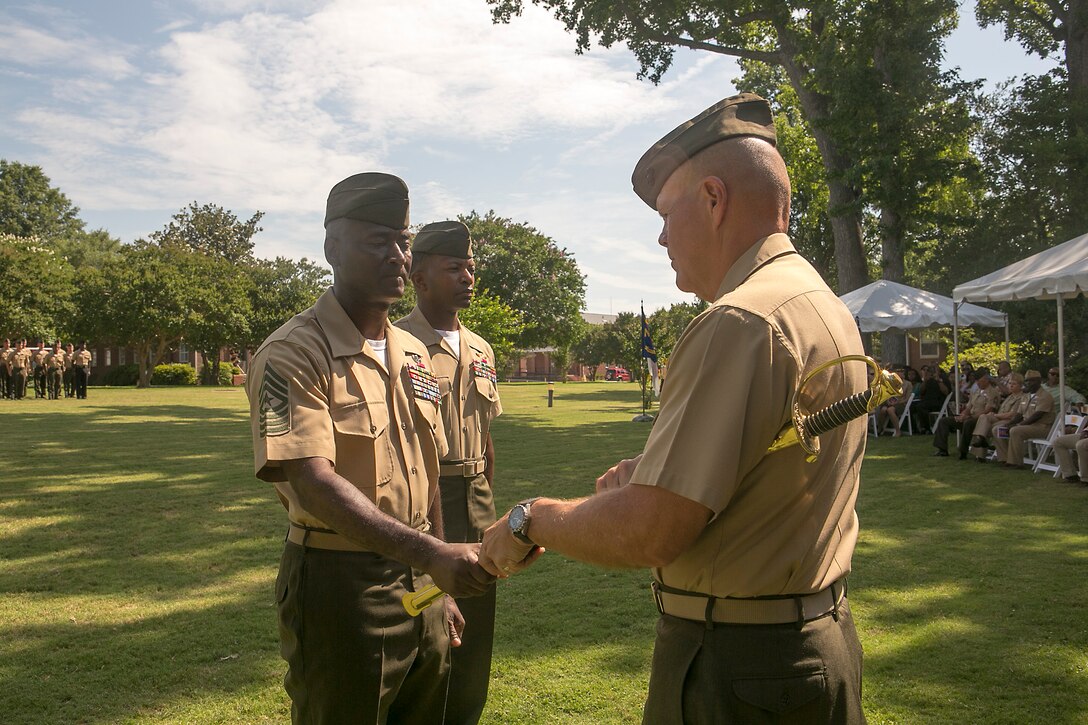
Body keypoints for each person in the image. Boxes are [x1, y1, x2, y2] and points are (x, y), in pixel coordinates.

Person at [478, 93, 867, 723]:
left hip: (738, 669)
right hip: (807, 647)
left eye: (665, 212)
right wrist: (665, 474)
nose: (660, 235)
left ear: (714, 200)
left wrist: (530, 518)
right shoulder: (817, 302)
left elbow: (650, 530)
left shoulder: (740, 322)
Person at [245, 172, 495, 724]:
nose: (397, 256)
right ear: (332, 246)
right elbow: (311, 481)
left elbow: (427, 470)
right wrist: (430, 555)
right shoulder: (290, 355)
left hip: (417, 578)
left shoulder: (411, 351)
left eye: (403, 242)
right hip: (340, 585)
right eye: (377, 241)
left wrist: (436, 582)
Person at [395, 220, 503, 725]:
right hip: (423, 502)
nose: (467, 277)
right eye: (454, 267)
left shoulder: (481, 348)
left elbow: (485, 436)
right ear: (418, 277)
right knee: (426, 621)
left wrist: (489, 505)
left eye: (471, 267)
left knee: (476, 628)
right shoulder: (397, 346)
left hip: (477, 498)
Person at [931, 368, 1000, 459]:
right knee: (944, 421)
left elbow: (989, 410)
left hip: (981, 419)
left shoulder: (992, 392)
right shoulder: (976, 391)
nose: (978, 384)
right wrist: (963, 415)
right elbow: (969, 406)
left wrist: (970, 417)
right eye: (977, 382)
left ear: (987, 381)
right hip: (970, 416)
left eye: (980, 381)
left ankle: (963, 451)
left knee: (968, 423)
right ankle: (942, 449)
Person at [997, 370, 1056, 469]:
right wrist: (1009, 423)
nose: (1029, 383)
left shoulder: (1045, 396)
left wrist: (1019, 425)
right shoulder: (1026, 396)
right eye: (1027, 381)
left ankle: (1016, 463)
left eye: (1032, 381)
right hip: (1028, 425)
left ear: (1039, 381)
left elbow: (1037, 415)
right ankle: (1005, 458)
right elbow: (1019, 414)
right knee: (1000, 429)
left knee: (1016, 431)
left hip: (1042, 427)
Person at [968, 372, 1026, 461]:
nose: (1011, 386)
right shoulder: (1010, 397)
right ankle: (980, 441)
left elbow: (1012, 414)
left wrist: (995, 415)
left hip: (1010, 420)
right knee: (984, 417)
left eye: (1014, 384)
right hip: (1000, 418)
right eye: (1010, 383)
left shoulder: (1021, 397)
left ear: (1021, 385)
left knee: (987, 426)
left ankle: (985, 450)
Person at [913, 365, 950, 434]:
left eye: (934, 370)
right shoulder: (928, 380)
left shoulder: (943, 379)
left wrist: (939, 381)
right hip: (926, 402)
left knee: (920, 407)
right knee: (915, 407)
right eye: (930, 371)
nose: (932, 373)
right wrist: (925, 381)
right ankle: (918, 429)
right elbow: (921, 391)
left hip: (938, 402)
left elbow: (946, 392)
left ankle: (926, 428)